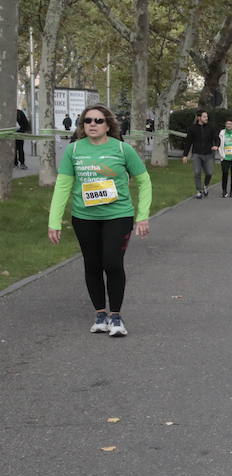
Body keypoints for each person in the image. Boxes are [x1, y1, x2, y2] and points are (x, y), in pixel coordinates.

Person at [46, 105, 151, 337]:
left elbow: (144, 181)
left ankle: (116, 316)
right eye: (87, 120)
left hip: (118, 215)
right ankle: (100, 314)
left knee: (112, 263)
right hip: (84, 217)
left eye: (98, 120)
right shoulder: (73, 151)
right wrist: (54, 220)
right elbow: (63, 187)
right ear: (82, 125)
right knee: (92, 265)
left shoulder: (123, 150)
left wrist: (143, 216)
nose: (92, 124)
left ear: (108, 125)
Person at [181, 110, 219, 199]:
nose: (206, 118)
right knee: (197, 172)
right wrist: (185, 155)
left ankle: (205, 186)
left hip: (208, 154)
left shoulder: (211, 127)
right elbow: (188, 142)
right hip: (196, 154)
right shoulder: (192, 129)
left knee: (209, 173)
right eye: (204, 116)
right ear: (199, 118)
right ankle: (198, 191)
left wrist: (216, 146)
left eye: (207, 116)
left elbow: (217, 138)